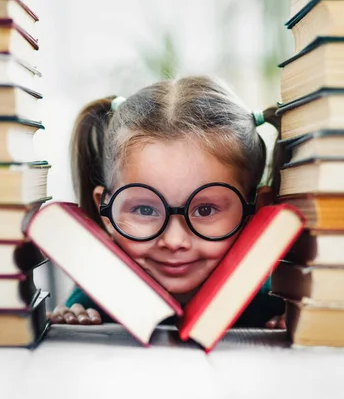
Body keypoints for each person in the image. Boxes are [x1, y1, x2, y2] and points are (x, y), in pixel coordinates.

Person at [47, 76, 285, 329]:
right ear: (105, 210)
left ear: (257, 211)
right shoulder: (92, 301)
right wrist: (71, 324)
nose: (173, 242)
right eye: (145, 209)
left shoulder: (281, 299)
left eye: (205, 210)